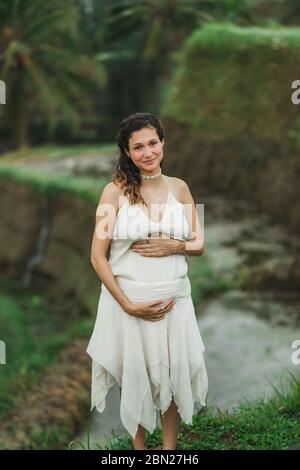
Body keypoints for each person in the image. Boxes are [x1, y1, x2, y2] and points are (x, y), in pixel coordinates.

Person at [87, 112, 208, 451]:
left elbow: (199, 243)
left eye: (152, 143)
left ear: (163, 143)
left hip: (175, 303)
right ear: (127, 152)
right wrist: (127, 304)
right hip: (129, 303)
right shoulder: (113, 193)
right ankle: (139, 449)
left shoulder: (180, 187)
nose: (147, 152)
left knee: (173, 370)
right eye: (137, 147)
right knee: (134, 373)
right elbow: (97, 256)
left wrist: (176, 244)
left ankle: (169, 449)